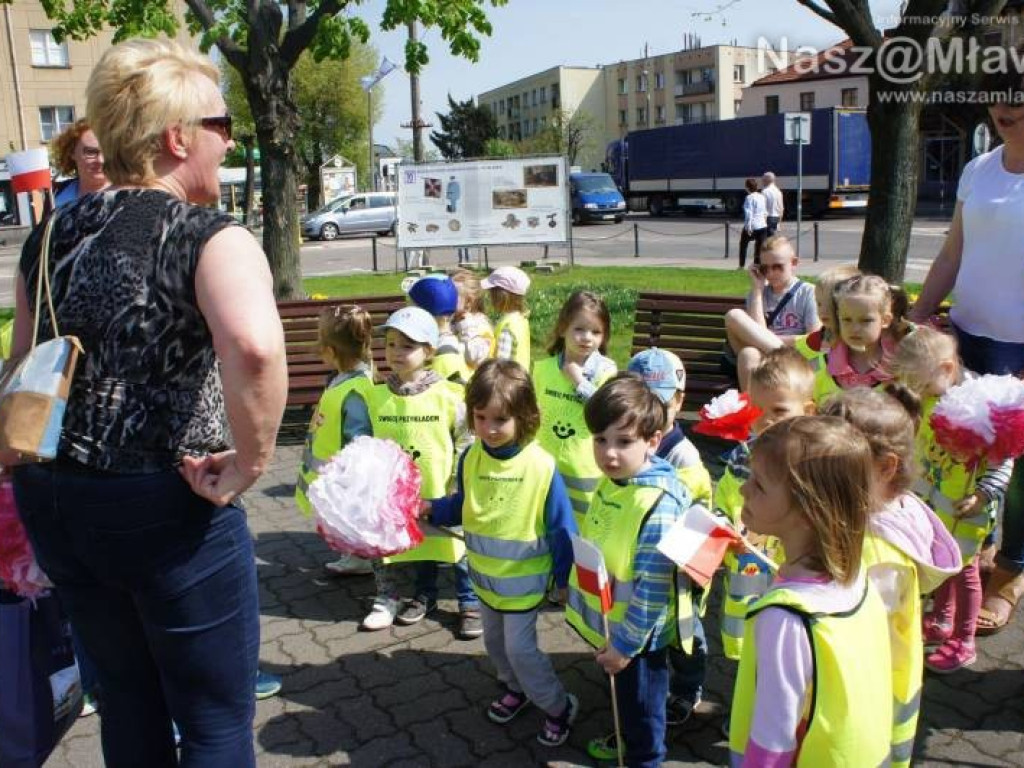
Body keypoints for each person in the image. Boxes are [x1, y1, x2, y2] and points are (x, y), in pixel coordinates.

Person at [8, 38, 287, 767]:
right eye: (220, 125)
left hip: (57, 499)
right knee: (214, 720)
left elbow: (22, 360)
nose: (229, 142)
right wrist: (251, 463)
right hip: (166, 499)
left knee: (127, 701)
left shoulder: (48, 235)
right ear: (177, 138)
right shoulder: (208, 234)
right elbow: (254, 348)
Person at [908, 65, 1024, 635]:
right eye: (998, 99)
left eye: (1018, 100)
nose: (1004, 110)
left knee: (1019, 472)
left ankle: (1011, 574)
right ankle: (976, 550)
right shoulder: (979, 169)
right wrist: (918, 316)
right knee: (966, 458)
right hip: (970, 338)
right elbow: (953, 254)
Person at [424, 359, 579, 746]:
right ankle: (516, 689)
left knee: (520, 650)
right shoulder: (470, 458)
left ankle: (559, 706)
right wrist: (431, 508)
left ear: (524, 416)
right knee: (494, 644)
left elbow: (563, 529)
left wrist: (565, 580)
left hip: (523, 586)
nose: (489, 429)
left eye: (500, 419)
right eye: (480, 417)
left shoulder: (541, 467)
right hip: (485, 581)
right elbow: (464, 506)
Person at [730, 416, 893, 766]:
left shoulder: (784, 618)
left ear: (808, 511)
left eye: (759, 485)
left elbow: (774, 736)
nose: (743, 490)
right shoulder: (857, 576)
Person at [822, 388, 959, 767]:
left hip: (862, 705)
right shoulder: (896, 514)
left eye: (833, 464)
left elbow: (847, 634)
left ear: (885, 468)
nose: (815, 473)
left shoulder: (876, 554)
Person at [565, 374, 694, 767]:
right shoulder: (618, 481)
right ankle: (628, 740)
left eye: (623, 442)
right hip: (619, 630)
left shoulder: (656, 504)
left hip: (639, 639)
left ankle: (644, 758)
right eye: (600, 440)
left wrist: (624, 646)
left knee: (642, 709)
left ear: (653, 442)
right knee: (626, 701)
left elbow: (653, 588)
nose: (609, 454)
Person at [891, 327, 1012, 671]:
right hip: (935, 502)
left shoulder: (984, 405)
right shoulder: (932, 395)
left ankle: (964, 639)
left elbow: (1002, 458)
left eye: (918, 382)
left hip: (966, 509)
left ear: (946, 369)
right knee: (941, 562)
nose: (913, 389)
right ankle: (943, 619)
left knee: (965, 573)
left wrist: (982, 494)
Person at [361, 307, 480, 638]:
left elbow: (465, 440)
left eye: (407, 346)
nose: (396, 352)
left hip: (444, 489)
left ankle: (470, 602)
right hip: (401, 494)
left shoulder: (449, 395)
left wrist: (458, 482)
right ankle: (425, 595)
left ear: (428, 351)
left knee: (457, 548)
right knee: (421, 545)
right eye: (391, 344)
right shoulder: (377, 396)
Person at [627, 348, 712, 726]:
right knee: (656, 629)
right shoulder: (627, 442)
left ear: (678, 400)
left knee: (687, 635)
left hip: (680, 565)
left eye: (658, 403)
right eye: (639, 401)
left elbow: (698, 518)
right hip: (644, 558)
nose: (649, 412)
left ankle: (688, 687)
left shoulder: (683, 456)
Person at [715, 348, 816, 662]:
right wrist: (724, 525)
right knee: (747, 636)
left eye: (779, 410)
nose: (766, 419)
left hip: (795, 571)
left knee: (789, 640)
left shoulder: (813, 462)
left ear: (808, 411)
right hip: (748, 562)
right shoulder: (742, 455)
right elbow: (725, 498)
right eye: (757, 409)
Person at [295, 305, 374, 575]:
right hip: (338, 470)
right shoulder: (344, 379)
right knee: (344, 514)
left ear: (330, 351)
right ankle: (354, 554)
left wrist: (349, 470)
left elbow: (359, 435)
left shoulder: (354, 388)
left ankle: (360, 557)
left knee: (350, 514)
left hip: (345, 471)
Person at [534, 290, 617, 528]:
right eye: (579, 329)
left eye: (596, 332)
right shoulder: (542, 369)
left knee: (582, 531)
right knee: (547, 526)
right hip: (546, 467)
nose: (587, 338)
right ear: (563, 329)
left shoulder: (606, 373)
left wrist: (579, 382)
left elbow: (605, 412)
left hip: (586, 472)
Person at [727, 263, 858, 391]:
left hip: (832, 396)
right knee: (747, 350)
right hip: (804, 390)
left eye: (829, 304)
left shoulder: (856, 342)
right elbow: (797, 346)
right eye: (818, 304)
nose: (822, 311)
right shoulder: (820, 338)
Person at [723, 235, 820, 387]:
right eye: (764, 268)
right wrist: (757, 290)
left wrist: (770, 339)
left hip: (799, 364)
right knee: (747, 351)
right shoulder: (757, 294)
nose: (770, 273)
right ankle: (752, 404)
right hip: (767, 362)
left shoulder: (809, 292)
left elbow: (814, 339)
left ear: (794, 263)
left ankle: (786, 358)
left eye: (777, 267)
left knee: (734, 317)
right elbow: (759, 332)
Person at [813, 274, 911, 404]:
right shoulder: (821, 365)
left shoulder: (900, 368)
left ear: (885, 320)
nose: (854, 328)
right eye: (847, 319)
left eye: (865, 320)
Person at [408, 274, 471, 385]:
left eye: (411, 309)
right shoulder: (442, 343)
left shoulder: (445, 354)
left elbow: (448, 393)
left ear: (424, 313)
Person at [483, 266, 532, 369]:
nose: (489, 297)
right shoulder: (521, 319)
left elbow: (501, 364)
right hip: (520, 375)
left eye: (491, 293)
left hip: (507, 378)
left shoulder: (507, 327)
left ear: (501, 297)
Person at [52, 119, 109, 206]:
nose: (101, 160)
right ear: (71, 152)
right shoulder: (55, 195)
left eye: (107, 152)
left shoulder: (127, 195)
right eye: (91, 152)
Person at [451, 268, 495, 372]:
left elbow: (475, 356)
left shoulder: (480, 326)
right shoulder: (454, 320)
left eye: (452, 295)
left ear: (469, 302)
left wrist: (466, 326)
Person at [738, 177, 768, 269]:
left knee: (743, 245)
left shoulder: (749, 198)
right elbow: (765, 211)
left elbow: (749, 213)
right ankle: (757, 264)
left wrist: (748, 227)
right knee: (759, 246)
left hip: (753, 225)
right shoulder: (761, 196)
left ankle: (741, 265)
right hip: (762, 225)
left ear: (747, 187)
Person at [761, 171, 784, 237]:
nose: (762, 181)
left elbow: (763, 208)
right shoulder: (778, 191)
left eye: (763, 180)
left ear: (767, 180)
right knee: (773, 238)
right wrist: (779, 222)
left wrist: (763, 222)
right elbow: (781, 208)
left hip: (768, 218)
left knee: (767, 239)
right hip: (776, 218)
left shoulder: (765, 191)